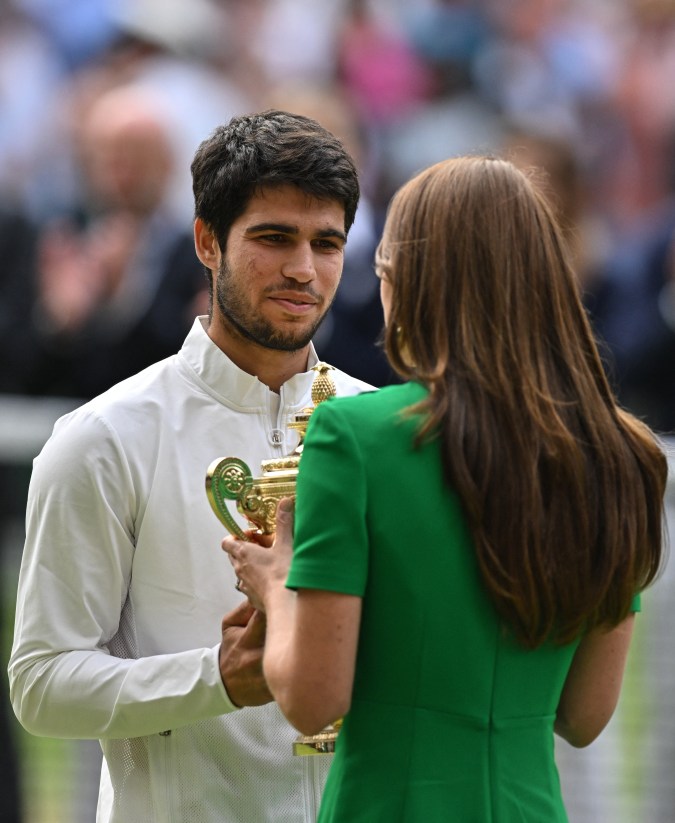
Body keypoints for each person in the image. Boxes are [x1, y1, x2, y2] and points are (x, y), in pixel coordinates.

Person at [224, 156, 667, 822]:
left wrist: (275, 582)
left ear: (404, 280)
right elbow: (583, 715)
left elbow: (313, 699)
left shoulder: (353, 433)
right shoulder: (621, 454)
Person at [8, 110, 372, 823]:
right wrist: (216, 679)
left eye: (326, 243)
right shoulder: (104, 437)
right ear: (208, 239)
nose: (303, 268)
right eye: (274, 237)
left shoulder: (379, 430)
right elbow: (42, 683)